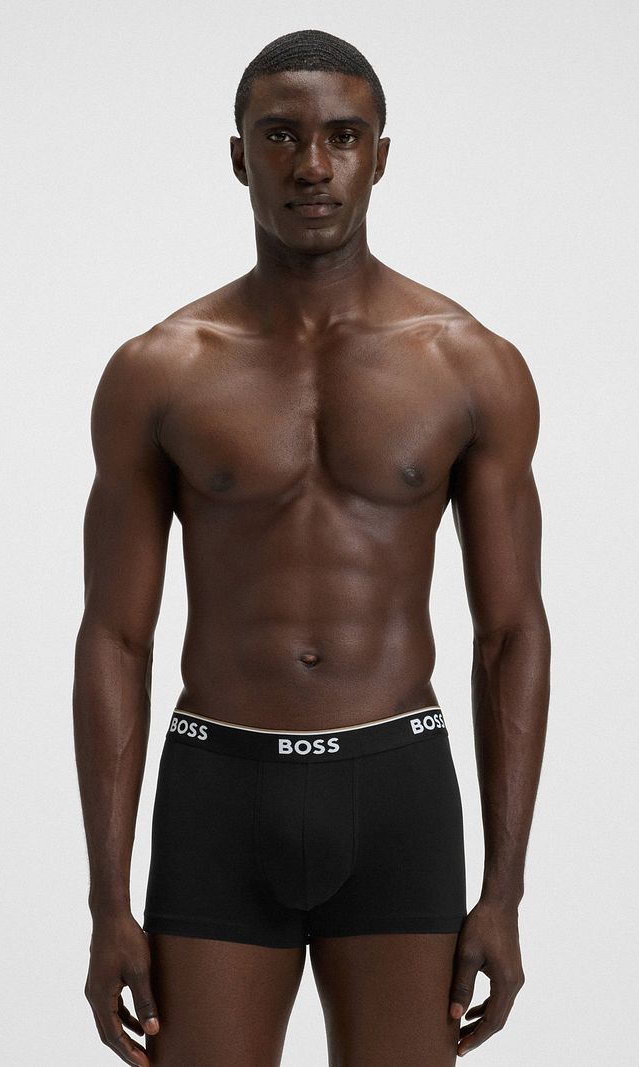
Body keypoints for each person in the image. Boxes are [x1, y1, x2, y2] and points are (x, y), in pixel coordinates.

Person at [73, 28, 550, 1067]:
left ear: (380, 155)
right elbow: (113, 636)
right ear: (238, 154)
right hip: (217, 789)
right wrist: (108, 901)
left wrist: (504, 890)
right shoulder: (160, 371)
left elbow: (511, 632)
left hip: (397, 789)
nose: (312, 165)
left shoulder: (468, 365)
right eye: (280, 135)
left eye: (342, 135)